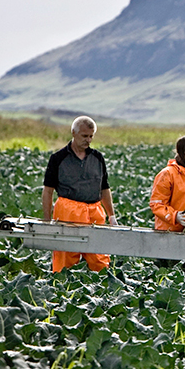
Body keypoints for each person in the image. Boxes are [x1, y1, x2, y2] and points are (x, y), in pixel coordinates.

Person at [42, 115, 116, 273]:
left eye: (91, 136)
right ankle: (61, 289)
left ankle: (101, 288)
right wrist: (47, 221)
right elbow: (48, 191)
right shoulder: (58, 158)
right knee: (65, 258)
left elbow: (104, 188)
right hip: (68, 212)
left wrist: (111, 216)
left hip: (94, 212)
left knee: (99, 259)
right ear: (73, 133)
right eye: (84, 136)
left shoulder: (98, 158)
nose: (88, 140)